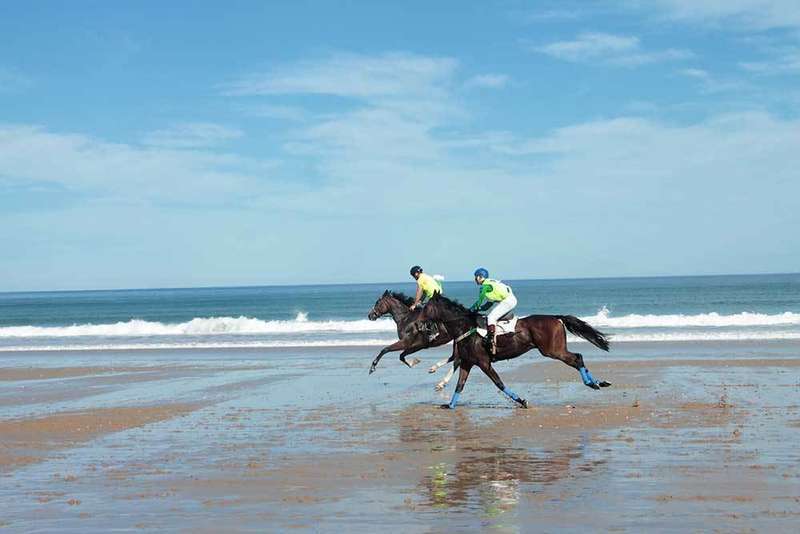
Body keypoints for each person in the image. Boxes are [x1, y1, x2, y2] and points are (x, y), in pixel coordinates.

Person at [470, 268, 516, 354]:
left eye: (476, 277)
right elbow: (487, 306)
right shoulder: (491, 285)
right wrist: (478, 309)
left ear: (480, 277)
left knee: (491, 317)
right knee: (491, 315)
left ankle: (491, 341)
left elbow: (479, 302)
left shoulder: (485, 287)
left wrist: (470, 310)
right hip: (510, 299)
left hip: (508, 301)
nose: (475, 279)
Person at [409, 265, 443, 341]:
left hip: (435, 297)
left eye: (413, 275)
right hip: (439, 296)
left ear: (416, 273)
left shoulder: (420, 279)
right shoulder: (425, 276)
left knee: (425, 313)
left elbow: (419, 292)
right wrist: (420, 301)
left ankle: (434, 332)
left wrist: (414, 304)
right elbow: (424, 292)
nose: (414, 277)